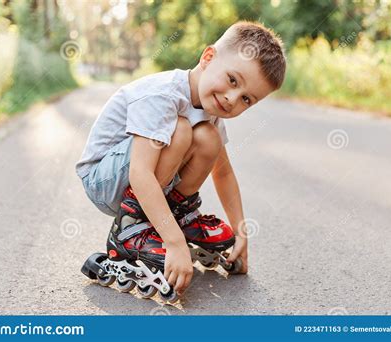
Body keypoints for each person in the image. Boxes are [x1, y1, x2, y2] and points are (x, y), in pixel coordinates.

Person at [76, 21, 286, 297]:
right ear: (208, 58)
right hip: (104, 181)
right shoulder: (164, 95)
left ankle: (177, 214)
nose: (232, 98)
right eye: (232, 80)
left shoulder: (211, 111)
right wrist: (174, 243)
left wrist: (241, 232)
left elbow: (222, 173)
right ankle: (128, 227)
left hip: (142, 179)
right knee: (182, 128)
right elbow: (140, 173)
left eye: (246, 99)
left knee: (208, 137)